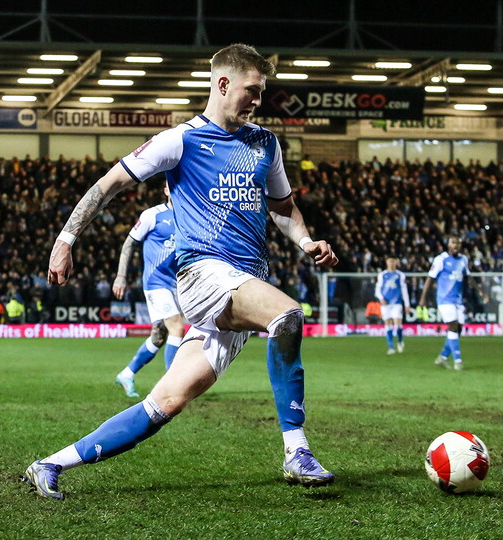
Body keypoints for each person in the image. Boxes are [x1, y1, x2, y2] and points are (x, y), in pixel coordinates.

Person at [24, 44, 339, 500]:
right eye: (252, 90)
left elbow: (284, 207)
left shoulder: (265, 143)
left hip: (241, 284)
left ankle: (51, 463)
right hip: (202, 276)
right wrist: (66, 239)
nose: (258, 100)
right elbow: (108, 184)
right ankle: (297, 450)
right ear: (223, 83)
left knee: (165, 403)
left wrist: (306, 240)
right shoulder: (182, 139)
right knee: (287, 315)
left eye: (263, 92)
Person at [112, 185, 185, 398]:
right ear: (165, 191)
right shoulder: (152, 215)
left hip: (176, 284)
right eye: (173, 187)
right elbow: (129, 244)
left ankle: (126, 374)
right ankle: (173, 385)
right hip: (155, 282)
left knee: (159, 335)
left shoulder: (189, 215)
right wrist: (121, 276)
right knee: (177, 328)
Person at [419, 237, 470, 370]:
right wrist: (423, 298)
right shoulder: (440, 259)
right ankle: (458, 361)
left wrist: (481, 291)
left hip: (457, 300)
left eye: (458, 243)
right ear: (448, 244)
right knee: (452, 326)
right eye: (453, 242)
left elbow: (468, 276)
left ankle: (442, 357)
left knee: (458, 329)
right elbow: (430, 279)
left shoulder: (463, 259)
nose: (456, 245)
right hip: (444, 299)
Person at [375, 257, 412, 355]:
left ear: (396, 262)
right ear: (386, 262)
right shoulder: (382, 275)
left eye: (393, 261)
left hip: (397, 303)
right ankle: (391, 347)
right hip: (385, 303)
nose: (391, 263)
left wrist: (407, 304)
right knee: (388, 324)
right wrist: (381, 298)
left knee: (397, 324)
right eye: (389, 261)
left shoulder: (400, 275)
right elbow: (378, 289)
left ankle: (400, 341)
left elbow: (404, 290)